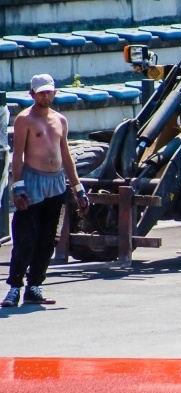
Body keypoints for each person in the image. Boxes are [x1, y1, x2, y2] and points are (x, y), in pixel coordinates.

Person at [2, 74, 89, 307]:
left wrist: (78, 188)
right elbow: (18, 155)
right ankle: (14, 287)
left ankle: (34, 286)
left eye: (49, 91)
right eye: (41, 92)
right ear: (32, 94)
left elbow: (66, 155)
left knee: (48, 239)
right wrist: (18, 187)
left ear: (55, 92)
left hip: (56, 184)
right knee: (25, 238)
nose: (45, 95)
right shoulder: (24, 120)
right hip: (32, 182)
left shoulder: (60, 120)